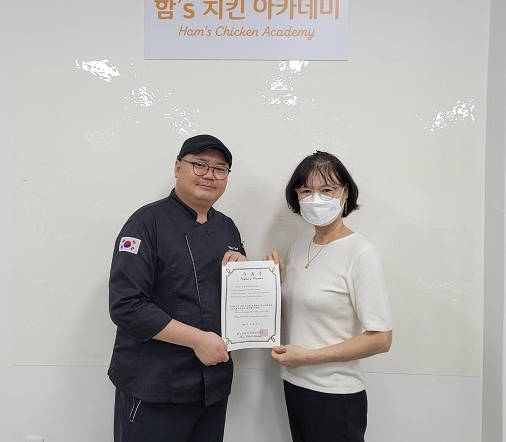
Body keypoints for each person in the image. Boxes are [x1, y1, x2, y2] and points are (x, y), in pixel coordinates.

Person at [108, 134, 247, 442]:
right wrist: (198, 339)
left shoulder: (227, 227)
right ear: (177, 167)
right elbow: (126, 306)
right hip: (155, 385)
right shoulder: (145, 223)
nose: (209, 175)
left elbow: (229, 299)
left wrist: (249, 274)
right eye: (200, 164)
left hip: (212, 385)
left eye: (220, 169)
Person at [269, 151, 392, 442]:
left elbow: (381, 339)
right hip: (294, 384)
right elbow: (300, 310)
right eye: (306, 191)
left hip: (335, 394)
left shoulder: (361, 253)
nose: (316, 199)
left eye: (326, 190)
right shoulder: (299, 247)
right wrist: (267, 279)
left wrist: (309, 357)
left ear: (344, 193)